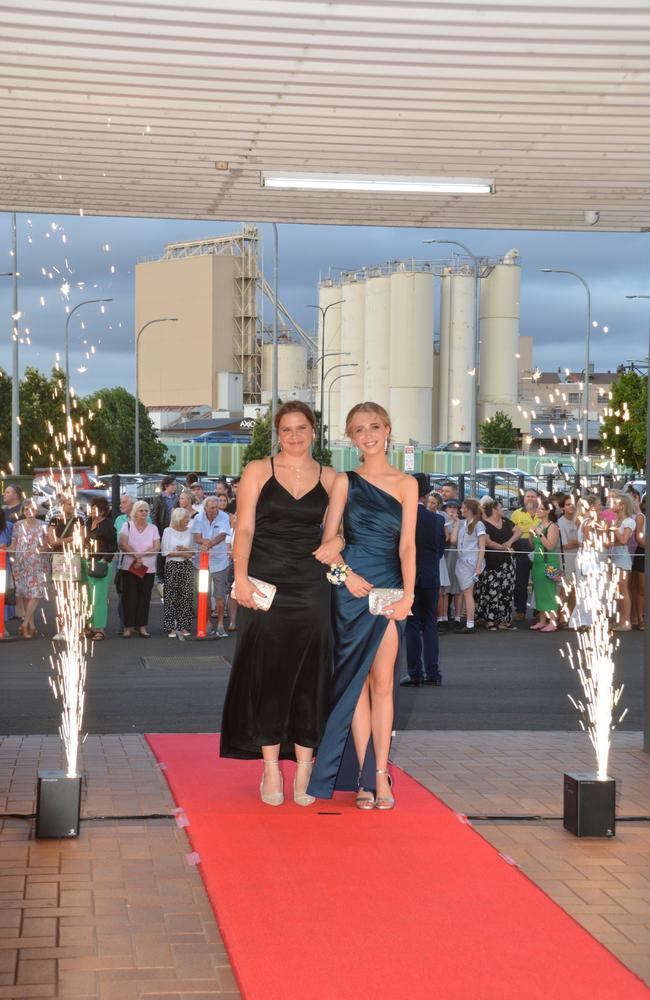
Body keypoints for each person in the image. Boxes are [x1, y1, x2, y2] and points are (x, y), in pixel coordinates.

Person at [220, 401, 337, 809]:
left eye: (301, 428)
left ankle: (304, 766)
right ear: (278, 433)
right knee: (267, 672)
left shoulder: (332, 478)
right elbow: (245, 527)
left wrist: (337, 541)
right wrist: (240, 578)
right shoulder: (257, 470)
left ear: (314, 431)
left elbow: (339, 532)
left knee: (311, 672)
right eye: (286, 429)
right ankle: (271, 766)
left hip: (311, 586)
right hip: (263, 583)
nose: (294, 436)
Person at [309, 401, 417, 811]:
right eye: (359, 429)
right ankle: (361, 780)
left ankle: (379, 773)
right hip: (350, 592)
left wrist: (409, 594)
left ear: (387, 429)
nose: (368, 435)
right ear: (350, 437)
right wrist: (346, 577)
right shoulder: (344, 482)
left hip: (389, 591)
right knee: (355, 686)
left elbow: (407, 546)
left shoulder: (407, 484)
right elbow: (327, 545)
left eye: (374, 426)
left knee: (384, 683)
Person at [402, 472, 446, 686]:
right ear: (427, 494)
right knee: (430, 624)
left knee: (411, 624)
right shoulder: (437, 519)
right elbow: (439, 550)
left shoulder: (402, 517)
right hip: (430, 575)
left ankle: (414, 672)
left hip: (408, 577)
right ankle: (433, 672)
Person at [476, 498, 520, 630]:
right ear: (494, 509)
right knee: (491, 591)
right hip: (491, 563)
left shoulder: (506, 521)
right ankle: (490, 620)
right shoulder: (484, 524)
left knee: (507, 591)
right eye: (501, 507)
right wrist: (503, 547)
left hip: (508, 563)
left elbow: (518, 531)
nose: (503, 510)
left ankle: (504, 620)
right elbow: (488, 542)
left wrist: (510, 542)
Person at [118, 500, 160, 638]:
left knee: (144, 598)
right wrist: (135, 555)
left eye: (146, 510)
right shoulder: (127, 525)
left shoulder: (153, 528)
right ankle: (127, 627)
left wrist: (141, 555)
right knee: (129, 597)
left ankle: (142, 627)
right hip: (129, 567)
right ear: (135, 512)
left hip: (148, 568)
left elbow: (156, 547)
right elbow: (122, 544)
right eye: (141, 510)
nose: (144, 513)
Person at [8, 497, 48, 638]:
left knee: (36, 593)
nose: (29, 511)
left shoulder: (44, 525)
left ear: (36, 510)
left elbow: (46, 546)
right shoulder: (17, 525)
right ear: (23, 511)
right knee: (25, 594)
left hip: (38, 564)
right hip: (20, 564)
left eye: (32, 509)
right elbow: (13, 545)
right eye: (26, 509)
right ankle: (31, 626)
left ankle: (24, 624)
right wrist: (5, 549)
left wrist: (37, 550)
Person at [48, 494, 86, 641]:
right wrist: (71, 539)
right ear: (62, 505)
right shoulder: (54, 520)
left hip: (73, 557)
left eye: (73, 503)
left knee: (73, 594)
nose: (72, 506)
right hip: (58, 558)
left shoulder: (79, 519)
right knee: (61, 595)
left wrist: (61, 541)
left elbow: (81, 540)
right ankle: (63, 627)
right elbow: (52, 541)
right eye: (69, 503)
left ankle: (74, 627)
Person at [193, 496, 231, 637]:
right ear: (205, 508)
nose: (215, 510)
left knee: (220, 596)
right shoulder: (198, 518)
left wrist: (209, 543)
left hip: (219, 562)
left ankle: (220, 624)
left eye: (216, 507)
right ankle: (207, 623)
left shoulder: (223, 516)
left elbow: (222, 535)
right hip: (201, 563)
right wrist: (204, 541)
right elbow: (196, 537)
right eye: (212, 507)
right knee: (204, 594)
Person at [82, 497, 117, 641]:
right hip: (86, 561)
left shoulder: (108, 524)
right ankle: (88, 625)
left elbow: (113, 545)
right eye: (91, 507)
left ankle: (100, 628)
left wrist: (105, 560)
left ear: (102, 511)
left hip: (101, 563)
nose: (91, 510)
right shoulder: (88, 522)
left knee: (99, 597)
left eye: (94, 508)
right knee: (87, 597)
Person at [450, 498, 485, 634]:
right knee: (466, 593)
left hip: (471, 562)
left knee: (468, 593)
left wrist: (478, 566)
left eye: (463, 508)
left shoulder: (479, 525)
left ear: (470, 510)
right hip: (462, 562)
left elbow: (482, 548)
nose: (461, 510)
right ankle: (469, 622)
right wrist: (456, 524)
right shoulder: (463, 523)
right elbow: (453, 541)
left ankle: (470, 624)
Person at [161, 507, 196, 638]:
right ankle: (170, 627)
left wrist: (186, 551)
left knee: (186, 596)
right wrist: (183, 553)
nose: (188, 520)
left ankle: (183, 626)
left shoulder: (190, 532)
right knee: (171, 596)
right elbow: (165, 551)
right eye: (186, 518)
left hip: (187, 565)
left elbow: (193, 551)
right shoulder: (167, 531)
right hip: (172, 565)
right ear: (178, 518)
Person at [529, 497, 561, 632]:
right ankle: (542, 620)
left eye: (541, 508)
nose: (538, 510)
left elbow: (551, 546)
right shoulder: (538, 525)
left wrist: (540, 534)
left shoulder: (552, 526)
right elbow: (533, 545)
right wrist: (532, 534)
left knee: (550, 593)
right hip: (537, 563)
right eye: (538, 508)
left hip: (549, 563)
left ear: (548, 511)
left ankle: (553, 621)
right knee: (539, 592)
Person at [608, 491, 637, 631]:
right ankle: (621, 620)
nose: (611, 503)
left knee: (623, 589)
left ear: (622, 505)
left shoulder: (629, 521)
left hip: (622, 558)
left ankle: (626, 622)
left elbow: (624, 540)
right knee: (617, 590)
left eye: (615, 501)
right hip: (613, 557)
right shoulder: (616, 521)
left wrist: (613, 530)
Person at [510, 489, 540, 621]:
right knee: (520, 582)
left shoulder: (543, 512)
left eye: (533, 496)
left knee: (539, 581)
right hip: (521, 547)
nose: (530, 499)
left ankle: (538, 610)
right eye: (528, 496)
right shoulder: (516, 514)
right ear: (524, 498)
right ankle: (520, 610)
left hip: (539, 546)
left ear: (537, 498)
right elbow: (512, 532)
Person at [557, 495, 580, 625]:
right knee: (564, 590)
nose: (571, 506)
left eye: (573, 504)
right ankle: (561, 616)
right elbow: (566, 544)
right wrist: (581, 542)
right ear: (562, 507)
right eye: (568, 504)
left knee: (575, 590)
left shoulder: (579, 520)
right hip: (565, 560)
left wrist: (575, 542)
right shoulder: (560, 522)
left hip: (579, 559)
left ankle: (570, 615)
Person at [151, 476, 177, 590]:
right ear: (166, 486)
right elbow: (155, 515)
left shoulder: (176, 498)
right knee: (161, 552)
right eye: (173, 484)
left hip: (174, 529)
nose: (175, 486)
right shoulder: (159, 498)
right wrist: (157, 530)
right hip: (163, 528)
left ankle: (170, 574)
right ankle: (160, 576)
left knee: (173, 551)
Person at [630, 494, 645, 630]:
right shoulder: (642, 517)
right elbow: (639, 538)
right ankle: (640, 619)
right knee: (642, 589)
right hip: (642, 554)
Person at [0, 507, 14, 634]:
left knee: (2, 597)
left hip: (3, 568)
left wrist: (7, 548)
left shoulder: (8, 527)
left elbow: (13, 545)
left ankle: (2, 626)